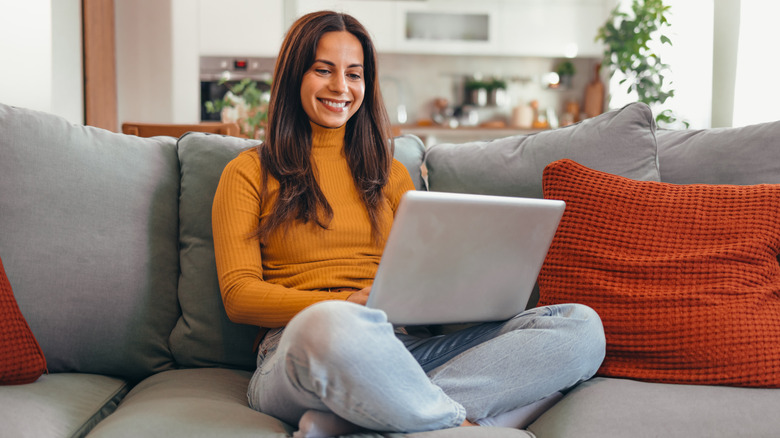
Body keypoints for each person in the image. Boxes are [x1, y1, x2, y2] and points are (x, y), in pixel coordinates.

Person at [212, 10, 606, 436]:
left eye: (354, 74)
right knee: (328, 323)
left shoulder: (391, 175)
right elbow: (239, 296)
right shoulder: (248, 171)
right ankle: (458, 424)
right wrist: (346, 305)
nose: (340, 87)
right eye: (323, 70)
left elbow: (426, 275)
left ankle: (364, 418)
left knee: (581, 327)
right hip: (301, 348)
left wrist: (462, 288)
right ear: (294, 76)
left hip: (401, 350)